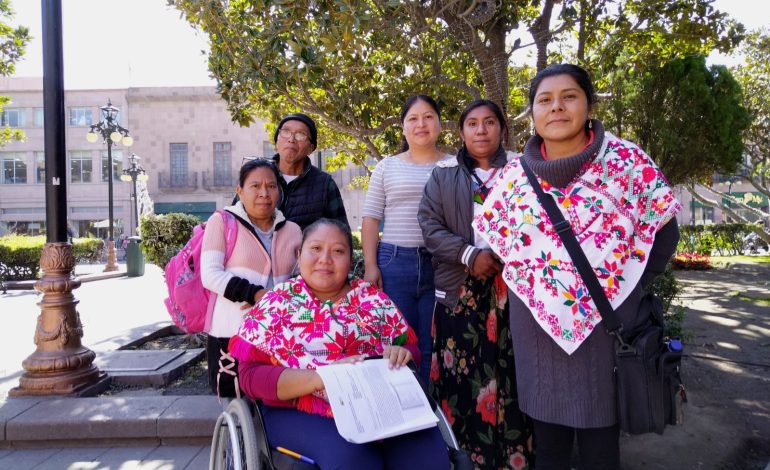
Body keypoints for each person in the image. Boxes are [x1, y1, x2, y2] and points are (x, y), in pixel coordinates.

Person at [473, 64, 681, 469]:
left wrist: (627, 285)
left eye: (569, 96)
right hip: (538, 329)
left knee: (601, 440)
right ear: (532, 112)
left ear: (588, 105)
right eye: (544, 100)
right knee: (548, 441)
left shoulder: (626, 162)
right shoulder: (513, 176)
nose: (557, 107)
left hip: (609, 324)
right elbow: (506, 248)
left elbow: (663, 232)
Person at [228, 218, 450, 469]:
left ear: (350, 259)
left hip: (378, 405)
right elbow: (250, 377)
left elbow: (411, 351)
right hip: (300, 408)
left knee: (428, 456)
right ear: (299, 255)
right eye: (315, 249)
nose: (325, 259)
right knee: (354, 459)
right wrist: (324, 378)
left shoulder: (371, 299)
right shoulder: (277, 303)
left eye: (338, 251)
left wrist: (402, 353)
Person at [418, 100, 533, 469]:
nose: (480, 130)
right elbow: (430, 226)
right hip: (458, 291)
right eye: (472, 123)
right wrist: (470, 255)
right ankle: (461, 459)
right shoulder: (444, 174)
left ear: (502, 128)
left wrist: (506, 257)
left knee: (513, 375)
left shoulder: (524, 170)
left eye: (488, 122)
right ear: (462, 131)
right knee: (459, 379)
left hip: (514, 293)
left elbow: (540, 224)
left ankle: (513, 459)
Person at [361, 95, 451, 383]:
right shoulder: (387, 166)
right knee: (395, 341)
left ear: (439, 123)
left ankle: (431, 413)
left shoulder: (454, 166)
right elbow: (371, 219)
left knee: (432, 344)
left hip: (441, 265)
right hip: (394, 263)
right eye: (413, 118)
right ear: (403, 127)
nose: (421, 124)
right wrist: (371, 265)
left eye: (428, 117)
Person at [201, 158, 302, 397]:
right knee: (235, 397)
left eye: (271, 186)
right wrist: (255, 294)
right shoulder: (222, 222)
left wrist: (278, 297)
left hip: (280, 332)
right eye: (255, 186)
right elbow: (210, 274)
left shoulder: (293, 230)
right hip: (231, 332)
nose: (264, 193)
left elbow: (300, 279)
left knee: (277, 396)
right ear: (240, 191)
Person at [271, 113, 349, 230]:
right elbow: (234, 222)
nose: (291, 139)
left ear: (311, 148)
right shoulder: (256, 175)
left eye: (300, 135)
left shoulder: (325, 184)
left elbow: (342, 235)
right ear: (276, 140)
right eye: (285, 132)